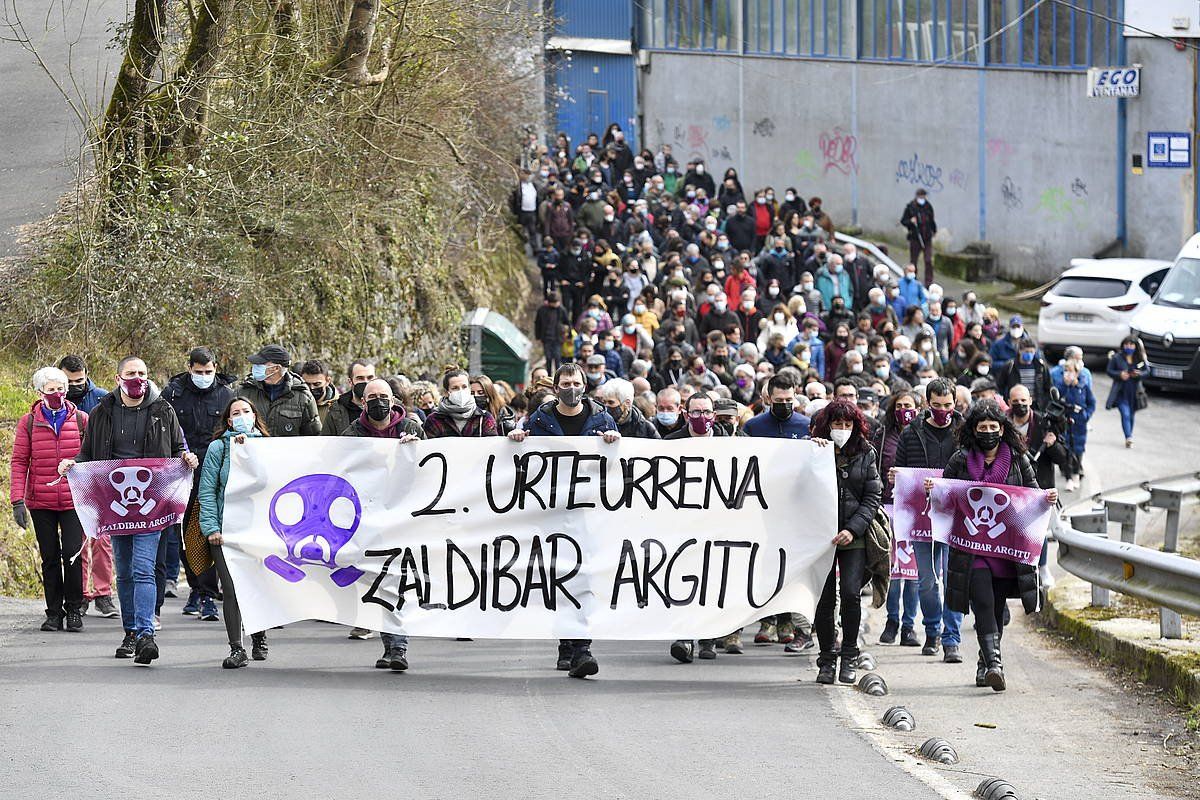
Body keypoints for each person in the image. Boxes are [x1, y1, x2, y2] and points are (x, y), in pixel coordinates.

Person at [58, 356, 198, 665]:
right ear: (119, 377)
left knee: (142, 568)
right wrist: (72, 465)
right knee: (124, 571)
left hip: (151, 504)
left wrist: (186, 459)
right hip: (114, 505)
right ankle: (131, 632)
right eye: (131, 373)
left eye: (143, 373)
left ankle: (146, 633)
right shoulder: (101, 412)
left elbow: (178, 448)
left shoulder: (163, 410)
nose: (138, 378)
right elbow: (87, 454)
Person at [508, 363, 620, 679]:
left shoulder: (601, 419)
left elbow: (617, 466)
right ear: (555, 387)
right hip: (551, 515)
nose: (571, 387)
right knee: (559, 578)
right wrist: (518, 437)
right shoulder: (541, 420)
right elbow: (521, 459)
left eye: (576, 382)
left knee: (583, 578)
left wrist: (615, 440)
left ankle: (582, 648)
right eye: (565, 383)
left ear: (585, 386)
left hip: (588, 515)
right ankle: (566, 644)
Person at [940, 400, 1057, 692]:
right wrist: (936, 489)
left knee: (996, 607)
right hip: (972, 547)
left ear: (1002, 430)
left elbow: (1031, 494)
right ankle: (995, 664)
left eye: (994, 427)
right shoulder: (960, 459)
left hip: (1006, 549)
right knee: (982, 601)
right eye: (983, 428)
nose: (989, 432)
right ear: (974, 430)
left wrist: (1046, 497)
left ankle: (984, 662)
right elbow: (946, 495)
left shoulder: (1019, 460)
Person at [341, 378, 426, 671]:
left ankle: (397, 647)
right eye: (372, 396)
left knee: (396, 581)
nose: (379, 401)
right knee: (378, 582)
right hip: (367, 521)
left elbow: (432, 469)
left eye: (384, 396)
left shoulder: (412, 429)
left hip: (404, 518)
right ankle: (391, 645)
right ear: (362, 402)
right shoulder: (351, 435)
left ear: (394, 400)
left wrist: (415, 451)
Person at [11, 367, 88, 632]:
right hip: (40, 500)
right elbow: (20, 461)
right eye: (51, 389)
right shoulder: (28, 422)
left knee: (72, 554)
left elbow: (92, 458)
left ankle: (74, 609)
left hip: (73, 500)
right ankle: (53, 612)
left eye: (60, 388)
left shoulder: (81, 420)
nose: (57, 394)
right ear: (40, 392)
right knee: (50, 557)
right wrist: (17, 501)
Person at [810, 400, 882, 685]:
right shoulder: (813, 451)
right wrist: (812, 455)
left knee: (851, 594)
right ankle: (827, 658)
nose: (842, 430)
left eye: (847, 425)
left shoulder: (866, 453)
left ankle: (849, 654)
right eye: (837, 424)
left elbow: (872, 497)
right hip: (820, 538)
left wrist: (853, 529)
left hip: (853, 536)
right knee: (824, 600)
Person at [161, 347, 235, 622]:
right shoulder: (173, 393)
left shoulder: (227, 395)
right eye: (198, 372)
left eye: (209, 372)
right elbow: (164, 429)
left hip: (214, 472)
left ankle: (206, 593)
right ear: (189, 368)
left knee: (210, 530)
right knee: (183, 533)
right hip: (181, 472)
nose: (204, 376)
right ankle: (195, 586)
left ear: (215, 368)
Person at [892, 378, 964, 662]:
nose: (942, 411)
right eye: (936, 406)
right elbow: (901, 471)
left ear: (955, 404)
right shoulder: (912, 433)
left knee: (953, 579)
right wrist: (896, 479)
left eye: (947, 406)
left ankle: (951, 638)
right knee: (927, 581)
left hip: (956, 517)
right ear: (926, 404)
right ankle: (932, 628)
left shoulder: (964, 432)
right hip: (922, 517)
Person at [198, 397, 271, 668]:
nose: (241, 416)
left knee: (257, 586)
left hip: (260, 531)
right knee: (231, 588)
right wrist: (211, 528)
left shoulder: (270, 447)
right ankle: (236, 648)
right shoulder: (218, 448)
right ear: (229, 421)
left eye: (246, 411)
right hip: (226, 531)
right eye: (236, 413)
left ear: (254, 415)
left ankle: (260, 636)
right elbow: (206, 491)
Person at [665, 393, 730, 663]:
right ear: (685, 413)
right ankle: (684, 635)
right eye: (695, 412)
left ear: (714, 414)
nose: (701, 417)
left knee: (712, 578)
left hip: (717, 523)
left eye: (705, 411)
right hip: (682, 523)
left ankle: (709, 637)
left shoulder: (732, 445)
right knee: (684, 577)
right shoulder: (670, 443)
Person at [59, 355, 116, 616]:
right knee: (77, 540)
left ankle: (103, 593)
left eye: (78, 380)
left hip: (100, 476)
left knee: (101, 539)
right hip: (71, 478)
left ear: (87, 374)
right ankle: (81, 594)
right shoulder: (54, 401)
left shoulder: (104, 399)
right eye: (68, 382)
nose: (74, 386)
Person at [875, 390, 921, 649]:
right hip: (888, 508)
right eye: (900, 405)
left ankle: (909, 625)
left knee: (913, 572)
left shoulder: (922, 434)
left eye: (909, 405)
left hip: (915, 512)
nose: (904, 409)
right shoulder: (882, 436)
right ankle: (891, 621)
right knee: (893, 570)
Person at [236, 345, 321, 437]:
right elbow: (225, 428)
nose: (256, 367)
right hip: (250, 450)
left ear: (276, 368)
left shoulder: (302, 397)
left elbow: (313, 436)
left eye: (261, 364)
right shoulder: (243, 392)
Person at [1052, 360, 1095, 492]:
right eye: (1066, 370)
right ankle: (1068, 478)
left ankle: (1076, 474)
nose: (1068, 373)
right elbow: (1056, 401)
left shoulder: (1083, 387)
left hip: (1079, 424)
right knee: (1066, 451)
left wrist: (1085, 415)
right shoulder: (1061, 386)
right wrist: (1065, 386)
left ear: (1077, 372)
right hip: (1065, 423)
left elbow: (1091, 403)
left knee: (1078, 450)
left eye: (1071, 371)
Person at [423, 369, 499, 437]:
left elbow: (492, 447)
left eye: (464, 387)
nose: (461, 391)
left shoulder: (484, 418)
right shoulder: (434, 419)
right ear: (447, 392)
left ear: (469, 389)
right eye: (455, 388)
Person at [1105, 336, 1147, 449]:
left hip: (1134, 392)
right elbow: (1109, 371)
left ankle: (1129, 435)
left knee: (1131, 415)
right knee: (1125, 413)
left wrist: (1139, 374)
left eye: (1131, 345)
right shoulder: (1117, 358)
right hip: (1120, 392)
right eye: (1126, 344)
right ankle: (1128, 437)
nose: (1129, 347)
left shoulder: (1139, 359)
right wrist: (1119, 374)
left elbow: (1146, 371)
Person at [322, 360, 375, 437]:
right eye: (360, 378)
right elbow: (326, 440)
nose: (366, 382)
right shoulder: (336, 410)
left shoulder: (391, 406)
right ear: (350, 382)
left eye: (370, 378)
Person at [995, 338, 1051, 411]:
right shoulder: (1010, 366)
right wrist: (1006, 401)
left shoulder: (1041, 367)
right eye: (1026, 351)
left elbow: (1048, 387)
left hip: (1036, 406)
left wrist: (1043, 403)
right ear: (1020, 351)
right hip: (1016, 404)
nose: (1029, 354)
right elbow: (1000, 386)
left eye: (1031, 352)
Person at [900, 189, 937, 284]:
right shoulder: (910, 207)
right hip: (915, 237)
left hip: (927, 237)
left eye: (924, 196)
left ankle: (928, 282)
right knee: (914, 261)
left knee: (928, 260)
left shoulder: (928, 206)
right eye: (921, 197)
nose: (922, 198)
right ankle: (913, 280)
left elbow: (932, 220)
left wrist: (934, 230)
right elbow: (903, 221)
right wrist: (911, 221)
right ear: (917, 196)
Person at [535, 290, 571, 372]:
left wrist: (569, 335)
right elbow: (538, 323)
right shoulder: (542, 310)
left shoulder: (561, 310)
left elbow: (567, 322)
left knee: (557, 358)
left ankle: (558, 375)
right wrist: (538, 336)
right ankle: (549, 374)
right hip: (546, 337)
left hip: (558, 338)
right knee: (548, 358)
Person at [299, 360, 338, 426]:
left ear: (328, 381)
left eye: (317, 384)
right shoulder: (296, 404)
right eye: (307, 384)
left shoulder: (339, 406)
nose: (312, 388)